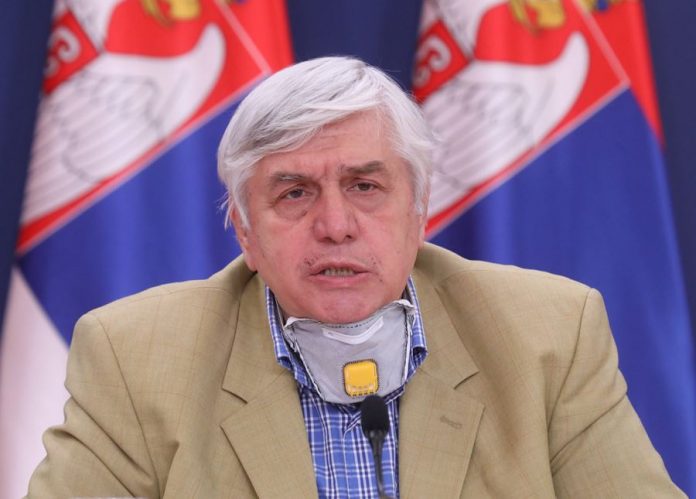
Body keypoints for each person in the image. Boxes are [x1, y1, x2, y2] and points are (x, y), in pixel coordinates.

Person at [28, 57, 683, 498]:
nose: (335, 225)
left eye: (365, 186)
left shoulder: (547, 336)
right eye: (294, 193)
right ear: (245, 232)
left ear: (418, 212)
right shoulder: (137, 359)